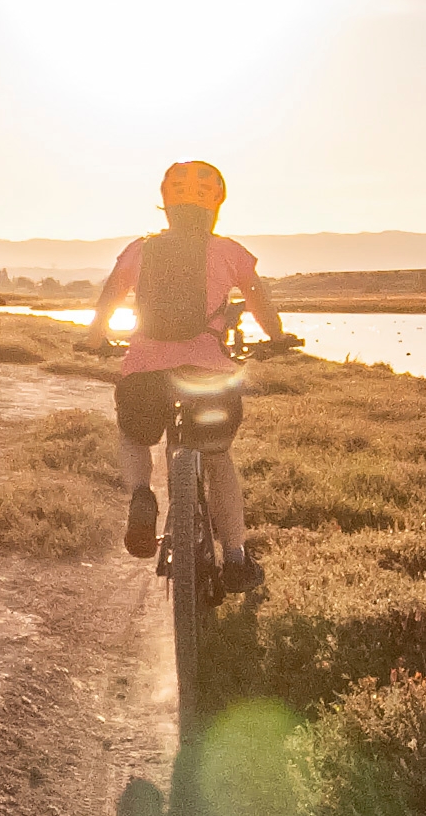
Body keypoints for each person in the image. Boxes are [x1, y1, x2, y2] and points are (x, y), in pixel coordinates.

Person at [83, 160, 290, 594]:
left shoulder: (140, 249)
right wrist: (277, 337)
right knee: (217, 459)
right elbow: (258, 299)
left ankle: (142, 495)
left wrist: (95, 336)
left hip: (144, 373)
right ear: (216, 206)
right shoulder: (228, 251)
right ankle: (234, 558)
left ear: (166, 205)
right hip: (207, 375)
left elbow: (110, 296)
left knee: (136, 437)